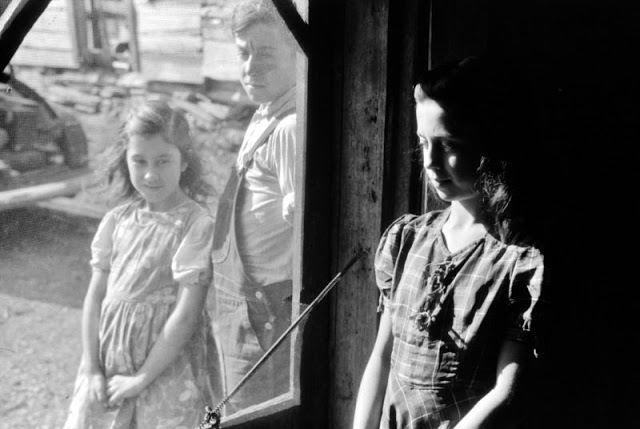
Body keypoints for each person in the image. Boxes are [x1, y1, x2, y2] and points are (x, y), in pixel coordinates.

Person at [352, 57, 548, 429]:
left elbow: (506, 391)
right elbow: (382, 356)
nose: (430, 160)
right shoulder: (407, 239)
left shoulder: (520, 263)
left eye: (448, 145)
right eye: (423, 142)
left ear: (491, 147)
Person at [63, 100, 220, 428]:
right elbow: (95, 298)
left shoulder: (195, 224)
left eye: (163, 161)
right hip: (109, 367)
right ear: (125, 159)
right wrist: (92, 368)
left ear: (184, 160)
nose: (150, 174)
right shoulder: (116, 220)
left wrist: (141, 378)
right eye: (139, 161)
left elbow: (187, 315)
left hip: (165, 370)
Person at [208, 0, 298, 414]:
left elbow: (303, 226)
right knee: (234, 406)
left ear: (296, 55)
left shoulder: (290, 126)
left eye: (265, 54)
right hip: (239, 299)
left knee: (253, 413)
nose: (250, 68)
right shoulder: (265, 114)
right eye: (243, 53)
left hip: (265, 307)